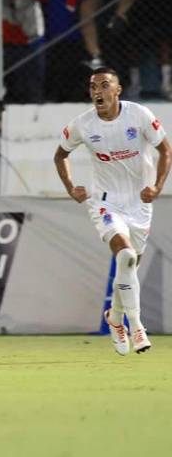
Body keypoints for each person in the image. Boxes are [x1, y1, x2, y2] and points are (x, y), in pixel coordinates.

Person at [53, 67, 170, 355]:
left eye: (104, 86)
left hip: (139, 204)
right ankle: (136, 326)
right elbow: (60, 155)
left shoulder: (139, 115)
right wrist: (71, 187)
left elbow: (166, 150)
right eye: (93, 87)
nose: (97, 92)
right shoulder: (83, 125)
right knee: (126, 255)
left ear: (117, 90)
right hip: (105, 202)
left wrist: (156, 187)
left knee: (128, 267)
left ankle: (114, 318)